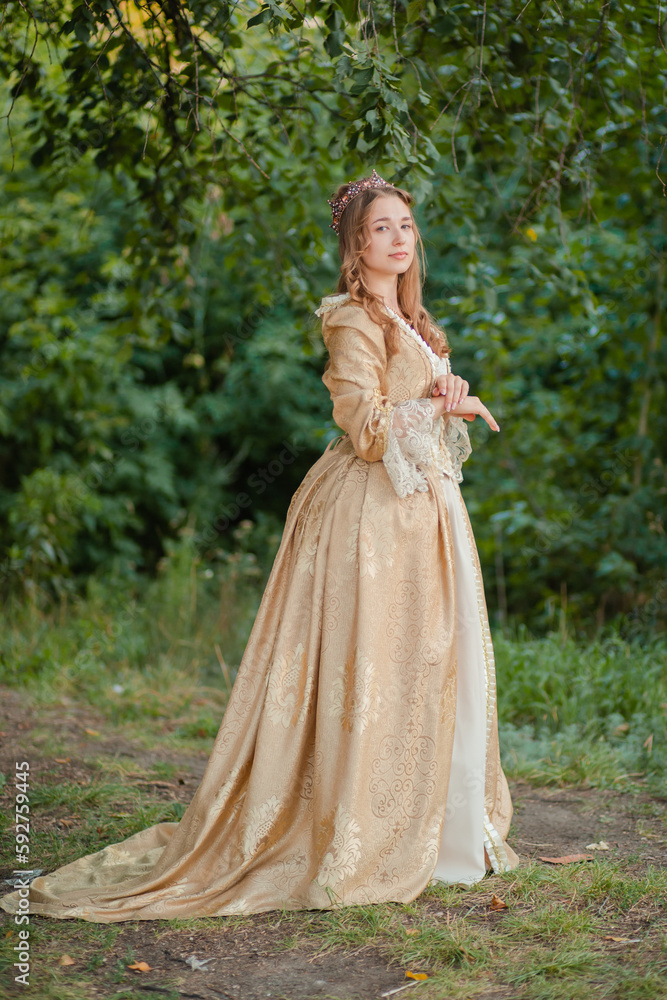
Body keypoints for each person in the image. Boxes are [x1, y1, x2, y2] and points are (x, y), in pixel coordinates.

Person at [0, 169, 518, 924]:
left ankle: (426, 827)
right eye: (380, 228)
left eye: (404, 225)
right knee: (373, 663)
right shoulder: (348, 317)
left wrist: (442, 398)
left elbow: (406, 414)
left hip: (418, 520)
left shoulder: (409, 319)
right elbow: (366, 426)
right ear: (354, 244)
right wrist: (448, 402)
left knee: (426, 663)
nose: (397, 239)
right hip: (369, 520)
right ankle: (356, 832)